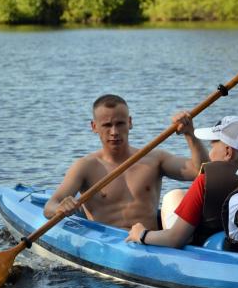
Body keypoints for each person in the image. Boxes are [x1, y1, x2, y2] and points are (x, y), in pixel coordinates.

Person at [43, 94, 209, 230]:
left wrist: (190, 134)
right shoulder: (85, 166)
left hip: (150, 243)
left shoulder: (155, 159)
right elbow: (50, 206)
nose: (114, 132)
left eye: (120, 123)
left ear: (130, 123)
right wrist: (61, 208)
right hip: (107, 246)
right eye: (107, 125)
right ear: (94, 126)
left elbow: (201, 172)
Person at [125, 115, 238, 247]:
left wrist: (141, 234)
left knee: (173, 196)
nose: (209, 155)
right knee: (180, 195)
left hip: (201, 245)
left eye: (212, 147)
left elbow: (174, 239)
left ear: (228, 152)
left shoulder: (206, 180)